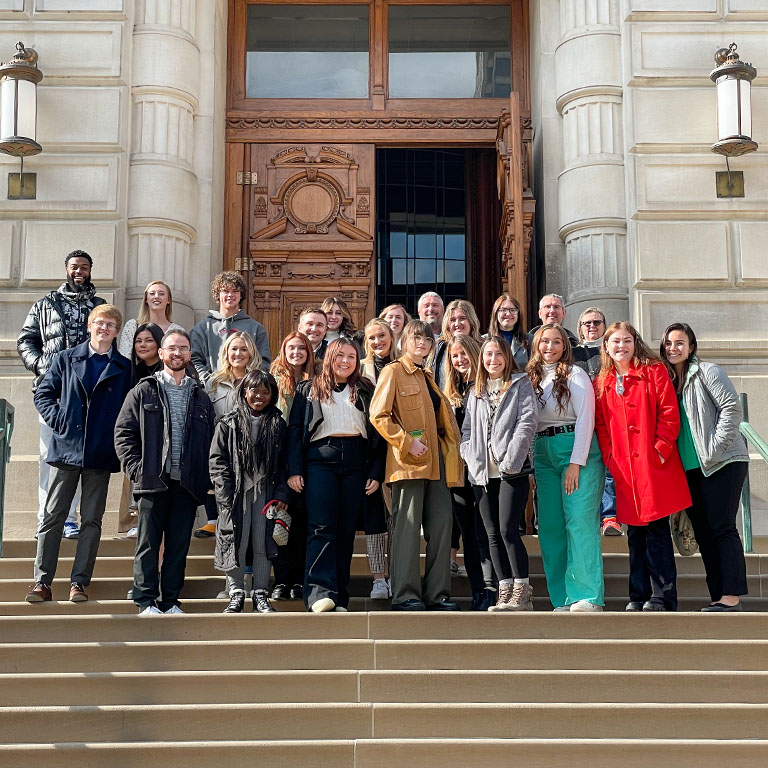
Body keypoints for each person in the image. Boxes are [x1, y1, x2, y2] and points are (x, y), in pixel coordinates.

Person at [26, 304, 132, 603]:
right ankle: (42, 582)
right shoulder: (66, 358)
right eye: (100, 323)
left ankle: (78, 583)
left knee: (92, 521)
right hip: (67, 449)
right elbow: (43, 393)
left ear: (116, 331)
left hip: (100, 452)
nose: (104, 328)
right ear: (89, 326)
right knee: (53, 517)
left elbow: (129, 411)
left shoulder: (125, 368)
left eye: (111, 325)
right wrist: (59, 420)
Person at [114, 329, 216, 615]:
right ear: (161, 354)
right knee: (147, 544)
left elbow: (209, 442)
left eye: (183, 348)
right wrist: (137, 469)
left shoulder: (200, 397)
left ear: (189, 354)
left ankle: (170, 600)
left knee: (178, 547)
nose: (177, 353)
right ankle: (146, 600)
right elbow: (123, 433)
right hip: (152, 482)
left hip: (186, 484)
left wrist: (203, 477)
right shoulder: (145, 389)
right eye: (171, 348)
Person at [594, 322, 691, 612]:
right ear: (606, 347)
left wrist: (660, 450)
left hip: (654, 466)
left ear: (635, 343)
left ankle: (662, 597)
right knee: (635, 535)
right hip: (624, 469)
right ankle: (638, 595)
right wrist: (610, 456)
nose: (621, 346)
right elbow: (601, 424)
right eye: (615, 342)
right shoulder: (602, 381)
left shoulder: (654, 371)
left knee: (657, 532)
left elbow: (669, 413)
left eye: (626, 341)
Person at [370, 320, 463, 612]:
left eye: (426, 339)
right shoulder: (393, 371)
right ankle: (405, 594)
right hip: (408, 462)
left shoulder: (428, 376)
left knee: (442, 525)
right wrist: (407, 442)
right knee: (407, 530)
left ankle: (438, 594)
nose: (421, 343)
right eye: (416, 338)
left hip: (437, 463)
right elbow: (379, 415)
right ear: (404, 342)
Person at [287, 339, 385, 612]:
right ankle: (319, 593)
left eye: (352, 356)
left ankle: (339, 597)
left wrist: (376, 472)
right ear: (329, 357)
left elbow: (379, 433)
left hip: (357, 462)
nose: (345, 361)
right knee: (321, 526)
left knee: (345, 530)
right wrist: (294, 470)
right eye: (340, 355)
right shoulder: (308, 390)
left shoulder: (366, 389)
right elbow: (295, 431)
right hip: (321, 462)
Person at [17, 249, 106, 540]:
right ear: (65, 270)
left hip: (88, 396)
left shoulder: (99, 306)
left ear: (91, 270)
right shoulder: (45, 304)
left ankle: (69, 518)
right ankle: (46, 519)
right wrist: (45, 367)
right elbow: (26, 341)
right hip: (54, 394)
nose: (78, 271)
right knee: (48, 456)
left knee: (79, 458)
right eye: (73, 267)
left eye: (84, 267)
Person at [661, 322, 750, 612]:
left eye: (679, 342)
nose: (673, 348)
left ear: (691, 346)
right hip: (689, 469)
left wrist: (714, 449)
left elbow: (731, 409)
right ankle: (718, 595)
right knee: (703, 530)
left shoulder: (707, 371)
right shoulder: (668, 380)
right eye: (668, 343)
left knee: (722, 527)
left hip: (722, 462)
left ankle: (732, 596)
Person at [527, 324, 606, 612]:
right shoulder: (530, 377)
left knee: (579, 522)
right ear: (536, 345)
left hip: (574, 446)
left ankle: (586, 595)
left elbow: (587, 418)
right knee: (550, 527)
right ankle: (561, 597)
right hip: (543, 451)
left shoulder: (575, 374)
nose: (550, 346)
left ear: (565, 346)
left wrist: (577, 461)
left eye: (556, 341)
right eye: (544, 341)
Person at [462, 336, 538, 611]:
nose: (492, 360)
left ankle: (522, 593)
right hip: (482, 475)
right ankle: (504, 590)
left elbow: (527, 421)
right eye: (487, 355)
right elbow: (468, 430)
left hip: (511, 472)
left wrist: (511, 461)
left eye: (497, 354)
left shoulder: (520, 384)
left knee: (508, 531)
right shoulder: (476, 391)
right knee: (491, 533)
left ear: (507, 357)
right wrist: (470, 456)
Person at [209, 370, 290, 614]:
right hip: (236, 494)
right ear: (245, 392)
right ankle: (235, 592)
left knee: (262, 542)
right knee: (237, 541)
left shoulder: (278, 423)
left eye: (266, 392)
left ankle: (260, 594)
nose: (259, 396)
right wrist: (224, 494)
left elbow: (286, 462)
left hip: (266, 493)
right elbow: (217, 461)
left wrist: (282, 494)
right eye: (255, 390)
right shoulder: (228, 423)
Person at [193, 331, 261, 539]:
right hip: (219, 441)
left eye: (243, 349)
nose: (238, 353)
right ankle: (214, 521)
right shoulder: (213, 383)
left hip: (251, 443)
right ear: (226, 352)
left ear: (251, 353)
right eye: (234, 349)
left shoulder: (259, 380)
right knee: (217, 482)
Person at [445, 334, 496, 610]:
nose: (460, 360)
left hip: (485, 468)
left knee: (485, 529)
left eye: (465, 354)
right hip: (458, 471)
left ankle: (492, 586)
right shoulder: (450, 391)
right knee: (467, 531)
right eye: (455, 356)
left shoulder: (486, 387)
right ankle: (479, 589)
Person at [269, 331, 315, 600]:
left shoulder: (317, 381)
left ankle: (299, 579)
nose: (296, 352)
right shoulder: (274, 380)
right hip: (280, 461)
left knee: (302, 525)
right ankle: (281, 580)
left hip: (309, 461)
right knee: (280, 524)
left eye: (301, 348)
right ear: (284, 351)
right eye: (291, 348)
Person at [572, 307, 621, 537]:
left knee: (610, 469)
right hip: (581, 420)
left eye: (597, 322)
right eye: (587, 323)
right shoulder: (571, 354)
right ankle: (591, 517)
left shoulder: (611, 352)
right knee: (586, 470)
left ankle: (610, 518)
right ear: (579, 328)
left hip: (610, 419)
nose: (592, 327)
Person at [360, 318, 398, 600]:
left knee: (398, 517)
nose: (377, 342)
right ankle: (378, 578)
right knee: (374, 517)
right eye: (371, 338)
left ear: (392, 337)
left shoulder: (405, 364)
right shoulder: (359, 370)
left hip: (399, 449)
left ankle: (398, 573)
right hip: (369, 451)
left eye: (381, 336)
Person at [190, 271, 270, 384]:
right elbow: (194, 360)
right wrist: (209, 383)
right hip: (211, 391)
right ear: (218, 294)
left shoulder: (256, 328)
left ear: (241, 295)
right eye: (225, 291)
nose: (230, 295)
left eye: (235, 291)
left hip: (246, 391)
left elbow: (264, 362)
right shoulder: (202, 328)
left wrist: (250, 383)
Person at [118, 280, 184, 358]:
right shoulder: (132, 326)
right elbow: (125, 357)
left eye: (161, 294)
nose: (156, 296)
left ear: (168, 300)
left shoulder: (177, 330)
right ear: (146, 299)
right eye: (152, 293)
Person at [433, 299, 482, 392]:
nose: (457, 324)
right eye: (452, 320)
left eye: (462, 318)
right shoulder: (439, 348)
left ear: (471, 321)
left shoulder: (483, 347)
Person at [487, 293, 529, 370]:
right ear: (496, 313)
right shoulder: (483, 340)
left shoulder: (530, 340)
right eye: (503, 310)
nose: (508, 314)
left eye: (513, 310)